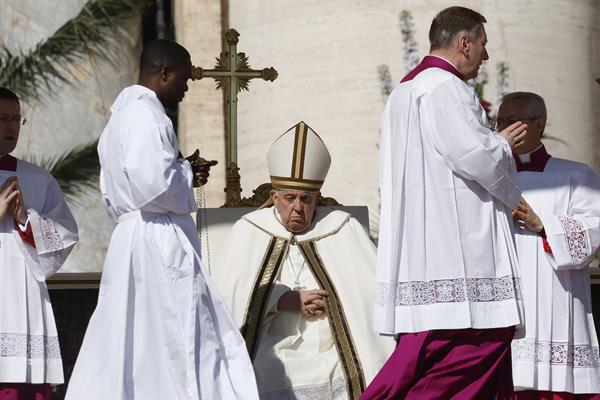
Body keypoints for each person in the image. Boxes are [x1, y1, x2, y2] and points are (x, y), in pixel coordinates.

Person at [65, 39, 258, 399]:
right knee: (174, 333)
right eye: (183, 80)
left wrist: (184, 168)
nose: (186, 88)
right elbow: (153, 187)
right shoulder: (147, 116)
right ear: (164, 72)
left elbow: (138, 181)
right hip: (157, 239)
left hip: (134, 237)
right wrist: (186, 175)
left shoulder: (120, 119)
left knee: (133, 337)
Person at [362, 6, 531, 400]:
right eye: (483, 45)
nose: (485, 56)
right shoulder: (447, 88)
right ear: (464, 42)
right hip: (460, 256)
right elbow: (476, 158)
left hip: (424, 253)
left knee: (427, 355)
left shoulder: (403, 92)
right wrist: (503, 144)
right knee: (477, 343)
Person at [213, 121, 394, 400]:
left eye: (306, 198)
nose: (298, 207)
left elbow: (370, 297)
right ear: (274, 197)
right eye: (289, 198)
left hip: (335, 350)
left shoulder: (342, 227)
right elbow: (226, 300)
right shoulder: (248, 230)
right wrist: (281, 299)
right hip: (268, 346)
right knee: (266, 373)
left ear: (317, 197)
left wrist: (334, 300)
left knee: (359, 373)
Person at [497, 92, 600, 400]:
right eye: (500, 121)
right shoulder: (489, 177)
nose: (504, 128)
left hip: (556, 293)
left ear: (538, 124)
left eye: (513, 121)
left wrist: (543, 225)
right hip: (506, 299)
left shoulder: (575, 175)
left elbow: (595, 226)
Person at [0, 87, 79, 400]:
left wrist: (24, 220)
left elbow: (64, 236)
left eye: (15, 120)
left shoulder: (37, 179)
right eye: (2, 118)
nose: (9, 127)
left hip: (22, 297)